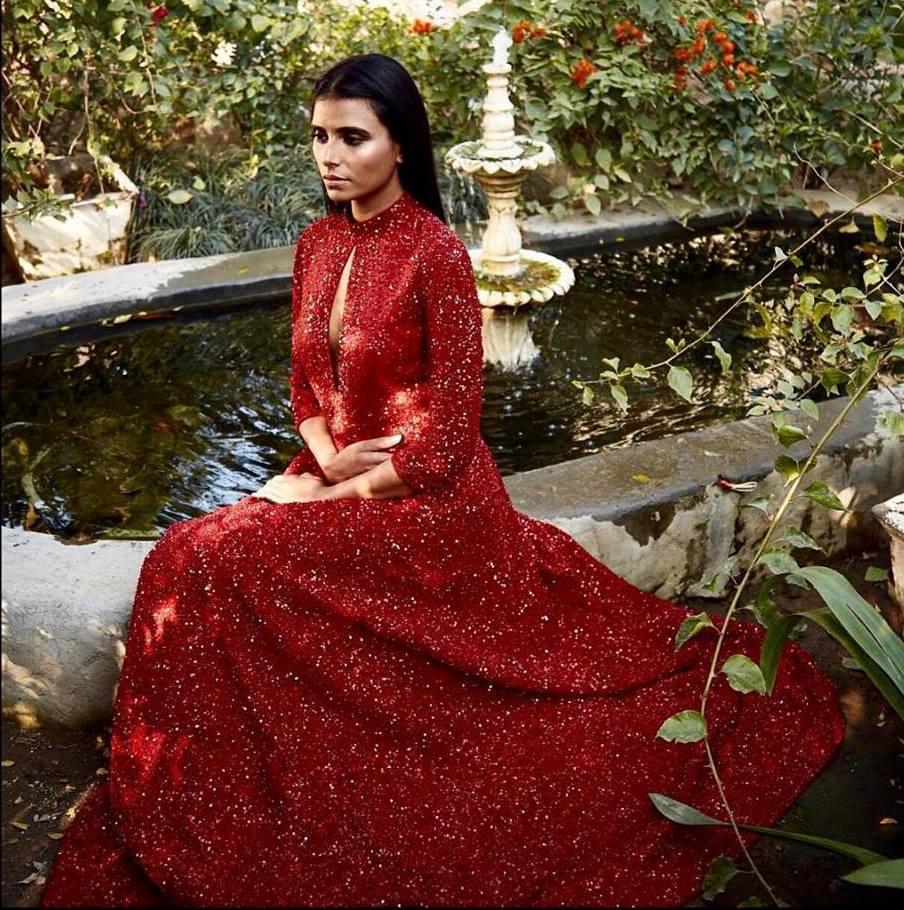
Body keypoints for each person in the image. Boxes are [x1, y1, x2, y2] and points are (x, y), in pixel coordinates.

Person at [39, 54, 844, 907]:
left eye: (353, 137)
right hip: (335, 466)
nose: (330, 155)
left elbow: (449, 437)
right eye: (320, 136)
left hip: (427, 499)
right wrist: (318, 451)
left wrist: (332, 491)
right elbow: (304, 380)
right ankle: (209, 782)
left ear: (399, 144)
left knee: (205, 557)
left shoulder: (436, 255)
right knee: (188, 556)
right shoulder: (318, 242)